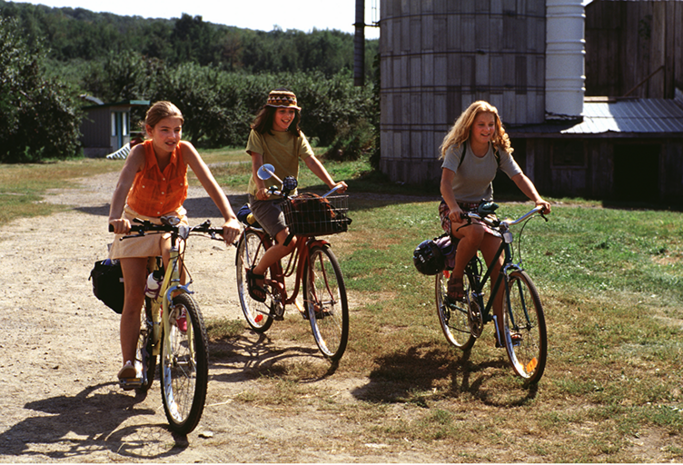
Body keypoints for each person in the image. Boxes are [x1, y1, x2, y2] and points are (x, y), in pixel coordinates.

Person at [108, 101, 241, 384]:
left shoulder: (186, 150)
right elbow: (122, 186)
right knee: (132, 294)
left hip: (170, 220)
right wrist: (116, 217)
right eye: (165, 130)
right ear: (149, 130)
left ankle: (177, 303)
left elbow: (210, 183)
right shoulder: (139, 153)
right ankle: (129, 363)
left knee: (174, 263)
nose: (172, 136)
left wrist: (230, 217)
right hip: (137, 221)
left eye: (177, 130)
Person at [439, 100, 551, 341]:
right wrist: (454, 207)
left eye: (491, 124)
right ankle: (456, 276)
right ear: (470, 125)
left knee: (499, 269)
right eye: (481, 124)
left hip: (483, 210)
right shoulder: (458, 148)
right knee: (476, 232)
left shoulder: (497, 149)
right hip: (455, 209)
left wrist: (537, 199)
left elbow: (518, 176)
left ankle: (502, 331)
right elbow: (445, 184)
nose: (487, 129)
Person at [245, 89, 347, 302]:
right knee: (288, 242)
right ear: (271, 112)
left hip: (289, 197)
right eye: (283, 111)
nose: (288, 116)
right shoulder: (259, 134)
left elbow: (311, 161)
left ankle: (311, 298)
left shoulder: (296, 135)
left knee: (307, 235)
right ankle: (256, 272)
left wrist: (332, 183)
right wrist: (261, 187)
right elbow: (257, 163)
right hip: (264, 199)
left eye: (292, 111)